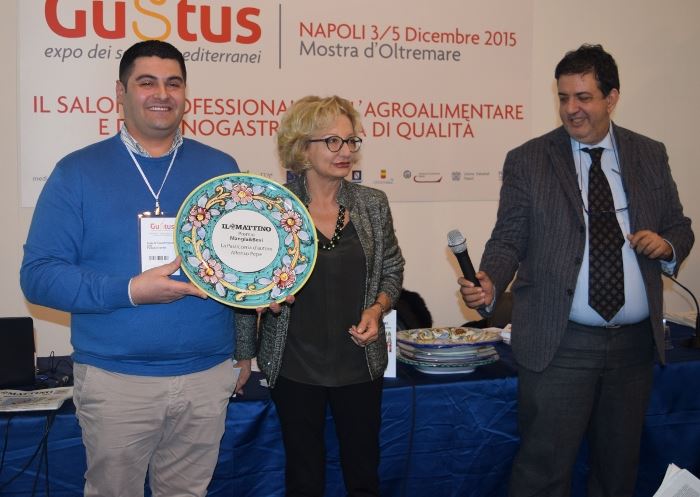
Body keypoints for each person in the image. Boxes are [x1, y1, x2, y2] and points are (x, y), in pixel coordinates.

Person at [458, 44, 693, 497]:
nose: (571, 109)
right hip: (560, 342)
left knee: (617, 472)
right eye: (564, 97)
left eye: (583, 97)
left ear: (612, 98)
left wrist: (666, 246)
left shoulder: (649, 154)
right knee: (543, 472)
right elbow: (508, 238)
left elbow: (679, 227)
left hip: (633, 347)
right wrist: (490, 279)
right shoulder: (529, 159)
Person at [20, 40, 250, 497]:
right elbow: (39, 275)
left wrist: (262, 294)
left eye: (173, 83)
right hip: (116, 382)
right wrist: (128, 290)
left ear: (185, 94)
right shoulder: (76, 172)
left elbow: (237, 265)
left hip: (206, 375)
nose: (161, 94)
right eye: (147, 82)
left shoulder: (221, 169)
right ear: (120, 93)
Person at [235, 95, 404, 497]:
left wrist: (377, 309)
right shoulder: (271, 207)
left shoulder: (372, 204)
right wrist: (243, 355)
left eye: (351, 140)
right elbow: (246, 285)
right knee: (304, 478)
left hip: (360, 363)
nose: (346, 151)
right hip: (295, 367)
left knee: (363, 475)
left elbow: (393, 269)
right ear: (301, 147)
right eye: (332, 141)